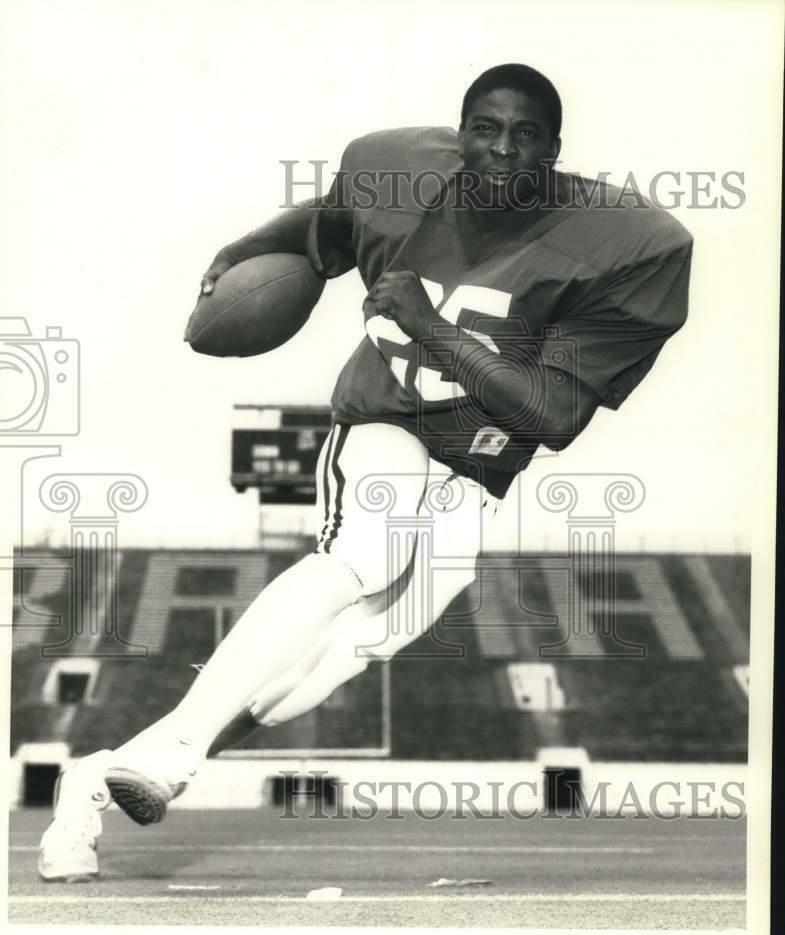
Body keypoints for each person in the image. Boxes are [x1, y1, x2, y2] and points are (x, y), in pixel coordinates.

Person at [38, 63, 692, 881]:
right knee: (365, 557)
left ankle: (100, 775)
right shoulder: (398, 170)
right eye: (484, 130)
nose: (502, 149)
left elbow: (553, 415)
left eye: (525, 136)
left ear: (554, 150)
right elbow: (329, 220)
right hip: (385, 417)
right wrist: (248, 246)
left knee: (352, 650)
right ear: (460, 137)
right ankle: (171, 753)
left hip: (475, 462)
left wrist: (428, 326)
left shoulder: (629, 245)